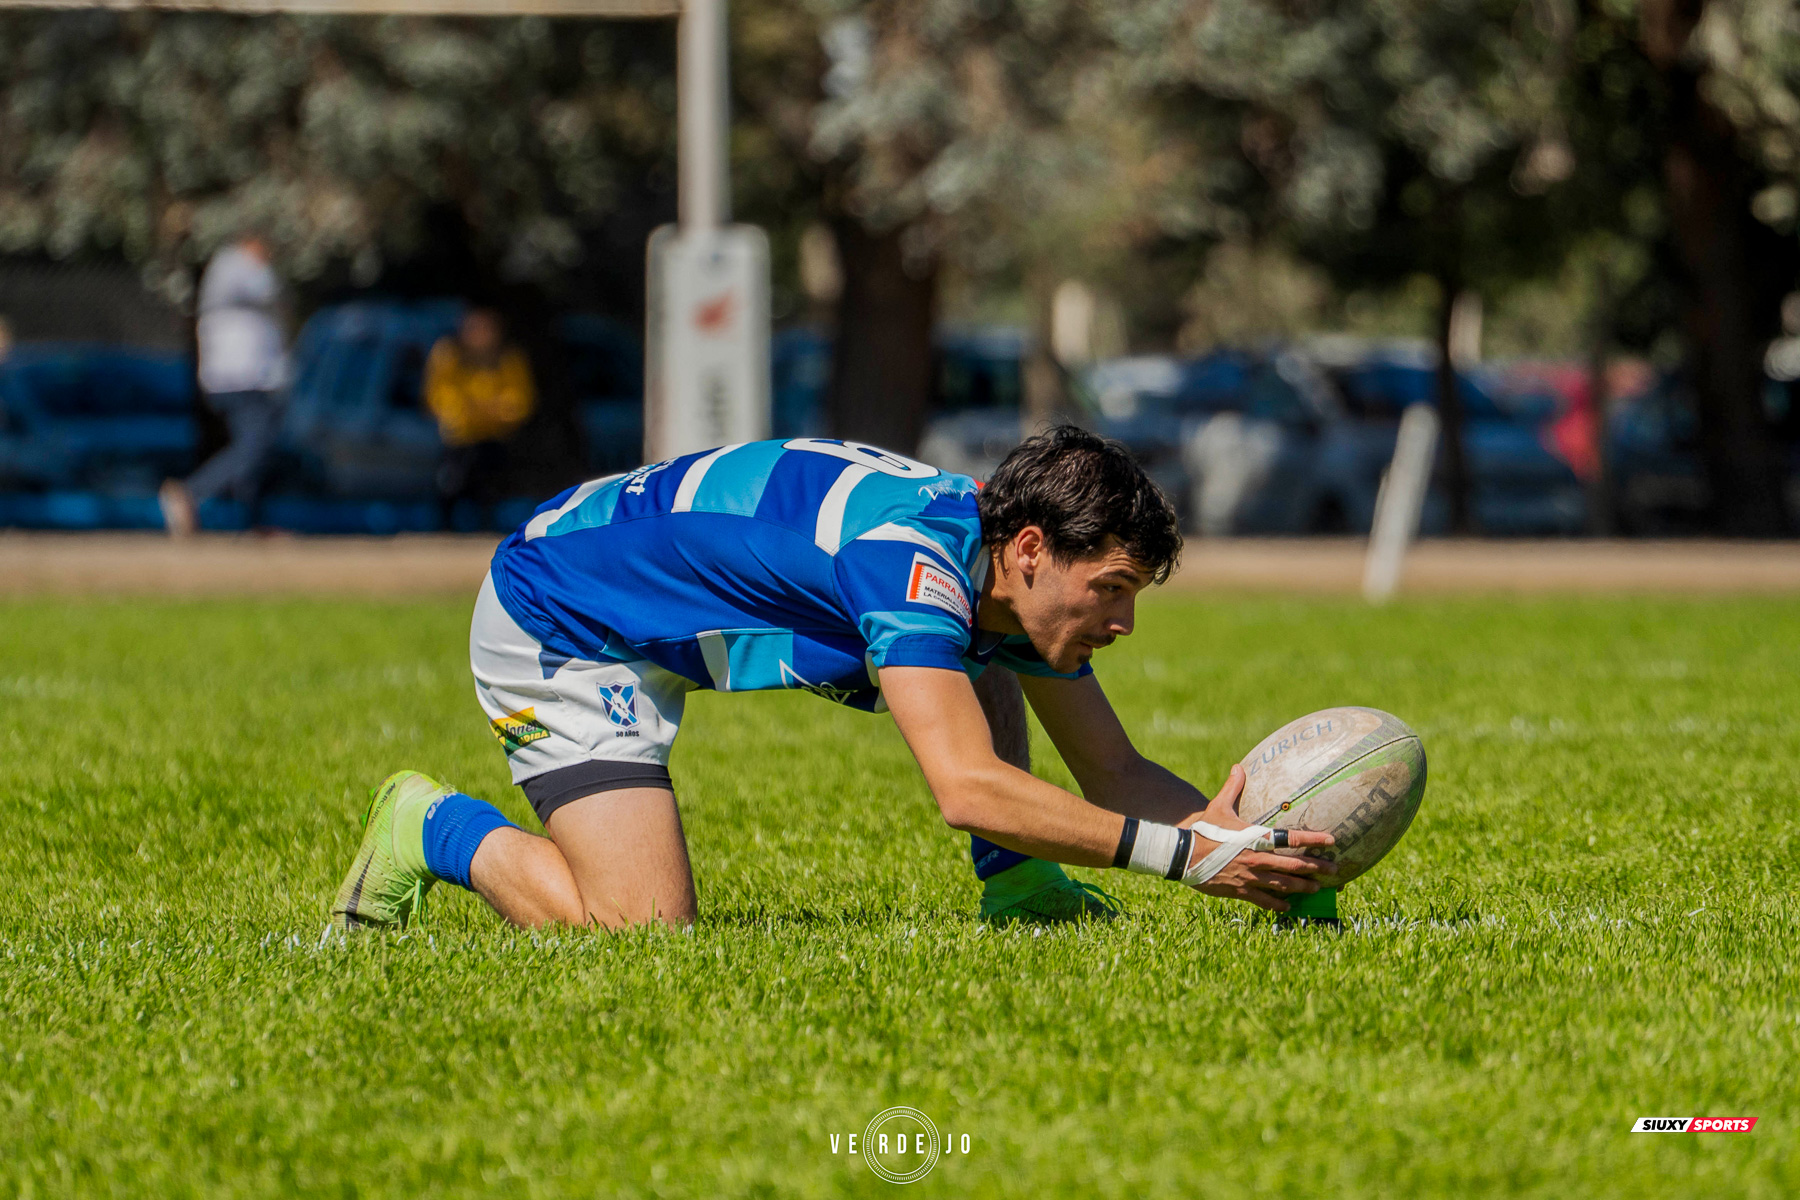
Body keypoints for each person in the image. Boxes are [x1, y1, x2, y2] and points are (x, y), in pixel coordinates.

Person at [326, 427, 1335, 934]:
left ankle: (1017, 884)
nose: (1122, 622)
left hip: (631, 591)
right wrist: (1186, 858)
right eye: (1112, 589)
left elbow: (1110, 768)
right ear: (1031, 547)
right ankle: (426, 826)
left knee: (987, 654)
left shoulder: (995, 572)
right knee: (633, 930)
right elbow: (964, 788)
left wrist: (1255, 855)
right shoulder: (907, 563)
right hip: (564, 612)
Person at [159, 234, 289, 537]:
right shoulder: (234, 266)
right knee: (253, 446)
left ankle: (251, 521)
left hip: (246, 375)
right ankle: (190, 492)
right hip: (241, 377)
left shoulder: (230, 270)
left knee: (253, 446)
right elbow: (268, 290)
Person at [423, 307, 536, 528]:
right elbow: (437, 393)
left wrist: (493, 411)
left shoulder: (508, 358)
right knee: (450, 488)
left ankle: (488, 532)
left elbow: (521, 399)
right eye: (473, 327)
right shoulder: (449, 355)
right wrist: (465, 411)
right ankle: (445, 534)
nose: (479, 334)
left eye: (486, 328)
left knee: (491, 492)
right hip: (459, 438)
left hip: (493, 438)